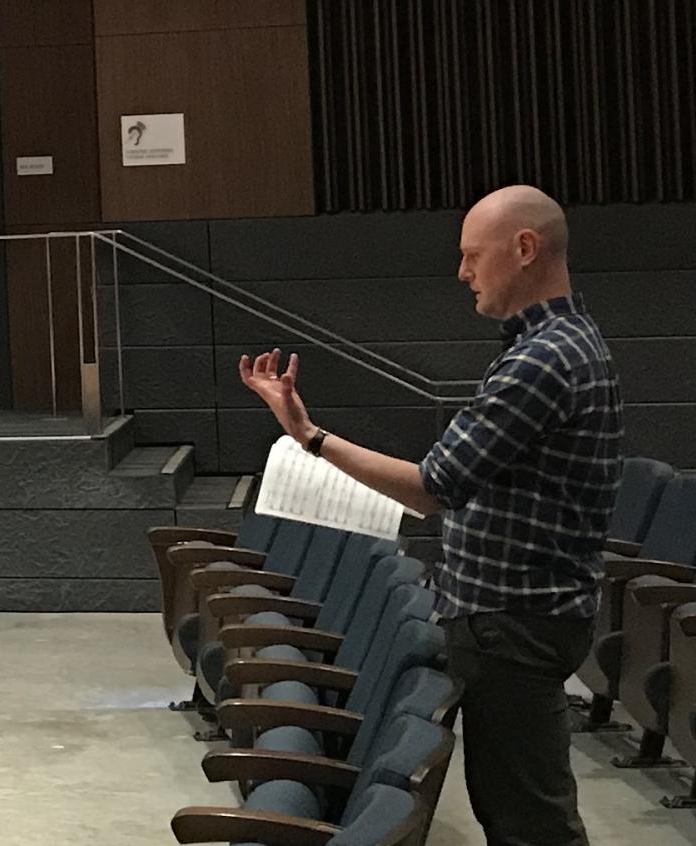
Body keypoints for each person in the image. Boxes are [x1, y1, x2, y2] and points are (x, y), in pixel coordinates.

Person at [239, 185, 618, 846]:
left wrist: (309, 436)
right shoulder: (556, 346)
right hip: (523, 618)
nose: (462, 272)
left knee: (528, 823)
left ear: (523, 249)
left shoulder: (541, 361)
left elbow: (431, 487)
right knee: (520, 812)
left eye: (473, 255)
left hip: (514, 623)